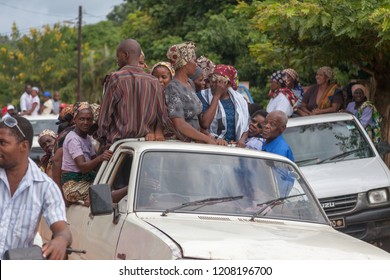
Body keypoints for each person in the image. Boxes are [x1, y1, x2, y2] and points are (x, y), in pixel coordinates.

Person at [0, 116, 72, 260]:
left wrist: (60, 241)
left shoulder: (46, 187)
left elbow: (63, 231)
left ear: (24, 146)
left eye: (2, 143)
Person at [98, 39, 172, 149]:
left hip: (120, 146)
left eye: (118, 56)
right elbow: (164, 117)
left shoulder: (115, 78)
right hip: (146, 144)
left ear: (126, 55)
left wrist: (101, 137)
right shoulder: (154, 82)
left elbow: (104, 117)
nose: (117, 60)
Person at [165, 42, 216, 144]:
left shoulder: (190, 84)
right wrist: (205, 139)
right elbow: (179, 124)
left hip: (194, 143)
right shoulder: (173, 88)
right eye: (193, 59)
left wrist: (208, 136)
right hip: (182, 144)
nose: (196, 64)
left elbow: (194, 121)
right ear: (185, 63)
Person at [62, 102, 113, 205]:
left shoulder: (87, 138)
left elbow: (94, 163)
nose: (85, 122)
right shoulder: (73, 139)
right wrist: (100, 158)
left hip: (85, 180)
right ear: (75, 120)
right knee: (107, 193)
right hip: (73, 186)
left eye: (89, 119)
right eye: (82, 119)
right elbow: (83, 167)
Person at [197, 64, 249, 147]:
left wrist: (242, 140)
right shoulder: (203, 96)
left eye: (218, 82)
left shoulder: (240, 100)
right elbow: (204, 124)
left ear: (227, 84)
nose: (214, 85)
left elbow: (246, 126)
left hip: (233, 147)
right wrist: (216, 96)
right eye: (212, 81)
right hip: (210, 145)